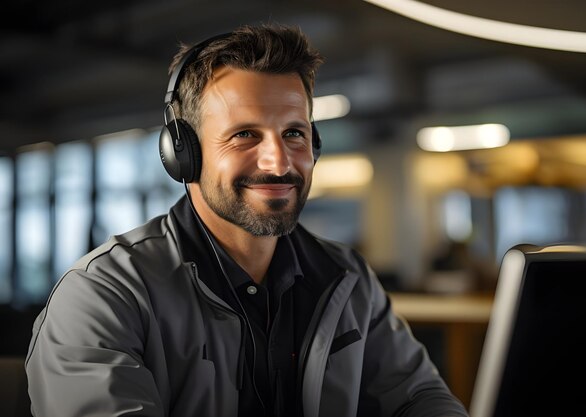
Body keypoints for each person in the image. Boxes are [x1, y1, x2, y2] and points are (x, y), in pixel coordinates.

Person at [25, 24, 468, 417]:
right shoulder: (104, 295)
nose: (279, 163)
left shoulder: (348, 279)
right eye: (245, 135)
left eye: (294, 133)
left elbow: (418, 396)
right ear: (184, 153)